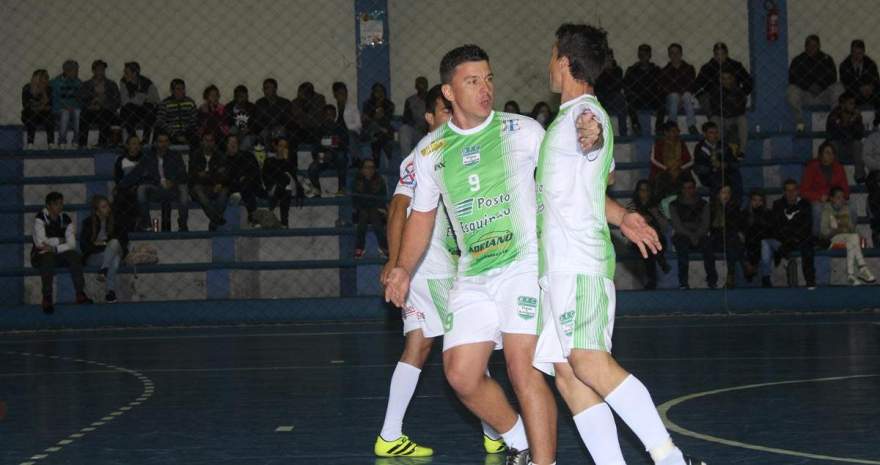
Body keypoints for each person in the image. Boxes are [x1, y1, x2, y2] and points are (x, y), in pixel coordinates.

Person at [384, 42, 663, 465]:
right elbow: (420, 216)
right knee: (460, 374)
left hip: (525, 265)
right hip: (473, 273)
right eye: (472, 81)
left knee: (522, 366)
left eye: (489, 78)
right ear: (448, 92)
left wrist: (621, 213)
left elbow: (572, 179)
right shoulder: (430, 153)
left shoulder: (524, 132)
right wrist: (403, 267)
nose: (485, 89)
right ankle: (518, 440)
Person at [532, 25, 702, 465]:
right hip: (556, 269)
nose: (549, 64)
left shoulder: (584, 114)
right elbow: (589, 188)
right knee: (568, 376)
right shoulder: (564, 119)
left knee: (587, 361)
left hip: (580, 263)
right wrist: (624, 215)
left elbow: (593, 134)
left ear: (566, 62)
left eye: (553, 56)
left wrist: (595, 134)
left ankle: (670, 458)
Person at [375, 84, 505, 457]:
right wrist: (397, 262)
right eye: (443, 111)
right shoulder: (424, 155)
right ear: (430, 119)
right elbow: (398, 208)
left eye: (453, 109)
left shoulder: (452, 155)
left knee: (418, 344)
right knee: (471, 339)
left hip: (426, 264)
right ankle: (498, 430)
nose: (451, 115)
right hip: (428, 263)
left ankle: (389, 435)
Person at [32, 192, 93, 314]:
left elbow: (71, 244)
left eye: (61, 203)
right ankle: (47, 297)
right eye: (56, 204)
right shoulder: (39, 219)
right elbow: (40, 243)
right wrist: (60, 240)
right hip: (40, 255)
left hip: (58, 253)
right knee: (47, 257)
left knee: (75, 256)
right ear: (48, 206)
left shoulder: (66, 219)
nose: (59, 207)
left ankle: (80, 293)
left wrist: (54, 247)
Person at [118, 131, 189, 232]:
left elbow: (183, 174)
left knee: (184, 188)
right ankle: (147, 224)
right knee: (141, 189)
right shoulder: (148, 157)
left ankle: (183, 225)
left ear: (169, 143)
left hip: (173, 190)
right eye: (160, 141)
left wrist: (172, 181)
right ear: (155, 143)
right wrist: (119, 186)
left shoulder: (176, 156)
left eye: (166, 141)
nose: (163, 144)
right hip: (156, 189)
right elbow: (135, 173)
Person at [761, 179, 816, 288]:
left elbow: (806, 226)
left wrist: (793, 234)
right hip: (784, 239)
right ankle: (767, 278)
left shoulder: (805, 204)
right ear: (784, 192)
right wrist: (790, 233)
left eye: (793, 190)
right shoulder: (777, 204)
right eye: (788, 190)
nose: (791, 193)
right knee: (767, 242)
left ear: (798, 191)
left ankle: (810, 281)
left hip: (800, 238)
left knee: (808, 246)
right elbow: (777, 226)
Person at [820, 187, 876, 285]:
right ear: (832, 199)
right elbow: (823, 233)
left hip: (846, 238)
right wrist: (834, 230)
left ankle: (851, 275)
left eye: (842, 197)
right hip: (830, 240)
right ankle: (862, 269)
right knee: (853, 238)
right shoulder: (826, 210)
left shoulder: (846, 208)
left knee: (853, 239)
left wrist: (846, 225)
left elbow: (852, 229)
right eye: (838, 197)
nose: (841, 200)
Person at [787, 35, 840, 132]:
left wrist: (820, 86)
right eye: (809, 45)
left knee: (838, 87)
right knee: (791, 90)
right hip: (806, 95)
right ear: (805, 46)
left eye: (815, 46)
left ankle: (834, 120)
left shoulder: (827, 59)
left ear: (819, 46)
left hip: (823, 94)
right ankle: (800, 122)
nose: (812, 48)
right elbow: (793, 78)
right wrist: (809, 86)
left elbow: (833, 77)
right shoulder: (798, 60)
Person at [670, 178, 716, 289]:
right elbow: (677, 225)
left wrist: (696, 234)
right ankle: (683, 283)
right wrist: (691, 235)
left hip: (700, 234)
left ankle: (712, 281)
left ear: (694, 189)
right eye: (685, 188)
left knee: (709, 248)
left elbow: (705, 224)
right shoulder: (674, 204)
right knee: (682, 250)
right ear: (681, 190)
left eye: (690, 188)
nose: (687, 191)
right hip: (682, 235)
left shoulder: (704, 204)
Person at [80, 195, 127, 303]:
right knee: (114, 259)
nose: (107, 209)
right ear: (97, 210)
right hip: (94, 256)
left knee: (114, 243)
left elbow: (123, 240)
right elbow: (84, 246)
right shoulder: (87, 223)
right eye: (103, 207)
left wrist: (103, 243)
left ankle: (104, 270)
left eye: (107, 206)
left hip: (112, 251)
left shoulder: (115, 221)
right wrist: (106, 245)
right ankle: (110, 291)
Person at [801, 141, 850, 234]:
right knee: (817, 209)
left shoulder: (839, 168)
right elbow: (803, 191)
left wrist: (840, 197)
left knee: (852, 207)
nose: (831, 155)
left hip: (835, 200)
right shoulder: (812, 167)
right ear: (820, 154)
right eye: (827, 152)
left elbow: (846, 190)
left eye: (832, 153)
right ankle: (816, 239)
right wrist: (819, 197)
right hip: (819, 200)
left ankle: (843, 237)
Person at [629, 180, 671, 289]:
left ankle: (652, 280)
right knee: (648, 249)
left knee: (651, 247)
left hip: (657, 238)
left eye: (647, 190)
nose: (644, 193)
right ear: (637, 192)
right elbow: (626, 229)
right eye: (641, 190)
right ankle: (660, 262)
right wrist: (641, 221)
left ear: (650, 192)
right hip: (637, 240)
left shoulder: (656, 206)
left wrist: (655, 214)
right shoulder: (632, 206)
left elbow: (665, 227)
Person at [694, 42, 752, 118]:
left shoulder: (736, 66)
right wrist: (701, 95)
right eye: (717, 54)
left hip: (731, 96)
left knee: (736, 98)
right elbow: (696, 85)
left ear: (727, 54)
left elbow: (748, 82)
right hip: (713, 98)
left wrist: (741, 92)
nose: (719, 57)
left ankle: (731, 125)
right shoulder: (707, 68)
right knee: (704, 98)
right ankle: (715, 124)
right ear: (714, 55)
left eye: (722, 54)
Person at [189, 132, 230, 231]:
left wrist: (218, 182)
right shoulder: (195, 155)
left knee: (225, 191)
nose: (208, 143)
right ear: (202, 142)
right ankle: (215, 219)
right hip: (199, 187)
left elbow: (225, 175)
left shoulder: (220, 155)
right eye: (206, 140)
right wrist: (214, 176)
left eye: (211, 140)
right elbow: (193, 176)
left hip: (215, 186)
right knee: (198, 190)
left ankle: (213, 221)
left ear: (214, 142)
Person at [692, 121, 743, 199]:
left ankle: (734, 206)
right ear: (705, 134)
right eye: (711, 133)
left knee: (736, 176)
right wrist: (712, 166)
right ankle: (717, 206)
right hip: (708, 176)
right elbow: (699, 168)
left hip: (725, 173)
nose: (715, 135)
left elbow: (734, 163)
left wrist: (726, 165)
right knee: (717, 181)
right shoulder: (700, 148)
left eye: (716, 132)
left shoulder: (723, 145)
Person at [308, 105, 349, 196]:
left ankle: (342, 189)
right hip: (323, 158)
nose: (329, 117)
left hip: (337, 159)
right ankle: (317, 190)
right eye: (327, 114)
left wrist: (331, 152)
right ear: (323, 116)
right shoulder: (318, 130)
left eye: (332, 114)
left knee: (341, 156)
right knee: (312, 168)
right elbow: (315, 149)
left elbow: (344, 146)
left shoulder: (340, 129)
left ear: (335, 116)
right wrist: (323, 154)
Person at [78, 60, 120, 148]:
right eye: (98, 69)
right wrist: (91, 104)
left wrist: (102, 104)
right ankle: (82, 144)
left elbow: (117, 102)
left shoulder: (112, 85)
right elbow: (81, 101)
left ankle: (102, 143)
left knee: (105, 114)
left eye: (103, 69)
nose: (101, 71)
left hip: (106, 111)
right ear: (93, 71)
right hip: (90, 110)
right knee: (84, 115)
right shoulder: (86, 85)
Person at [709, 184, 744, 288]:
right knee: (732, 240)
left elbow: (736, 225)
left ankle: (730, 276)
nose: (726, 195)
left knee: (731, 243)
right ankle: (744, 264)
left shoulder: (734, 207)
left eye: (728, 192)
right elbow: (712, 227)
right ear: (718, 194)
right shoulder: (712, 208)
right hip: (716, 239)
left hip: (729, 240)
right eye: (723, 192)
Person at [623, 44, 663, 135]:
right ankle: (635, 125)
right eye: (641, 54)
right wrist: (630, 94)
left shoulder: (656, 70)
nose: (643, 56)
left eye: (645, 54)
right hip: (637, 98)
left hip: (653, 97)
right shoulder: (632, 70)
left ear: (650, 55)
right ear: (638, 56)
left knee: (662, 101)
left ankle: (659, 127)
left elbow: (662, 85)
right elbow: (626, 86)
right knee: (630, 101)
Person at [225, 133, 264, 226]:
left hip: (249, 184)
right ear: (226, 145)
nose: (233, 145)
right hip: (234, 186)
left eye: (235, 142)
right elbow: (225, 177)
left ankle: (252, 217)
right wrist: (239, 179)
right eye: (230, 143)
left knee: (247, 185)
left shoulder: (247, 155)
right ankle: (253, 218)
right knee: (244, 186)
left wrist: (244, 177)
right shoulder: (223, 159)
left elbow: (254, 172)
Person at [352, 159, 388, 258]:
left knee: (373, 215)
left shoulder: (380, 181)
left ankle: (359, 248)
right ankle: (384, 247)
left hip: (377, 211)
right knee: (365, 214)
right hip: (362, 210)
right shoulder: (356, 181)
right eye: (367, 167)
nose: (370, 170)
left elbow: (381, 199)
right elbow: (356, 200)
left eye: (372, 167)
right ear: (362, 169)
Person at [708, 67, 749, 154]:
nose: (726, 81)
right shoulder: (715, 91)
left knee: (743, 119)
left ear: (732, 79)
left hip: (734, 118)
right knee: (714, 119)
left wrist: (727, 104)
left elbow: (741, 109)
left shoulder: (739, 91)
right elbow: (715, 108)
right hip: (721, 118)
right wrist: (731, 104)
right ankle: (717, 149)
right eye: (723, 78)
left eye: (728, 78)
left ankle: (742, 151)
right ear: (720, 79)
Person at [826, 92, 866, 181]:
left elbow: (859, 135)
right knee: (833, 144)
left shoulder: (856, 116)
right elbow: (834, 134)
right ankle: (835, 176)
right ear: (842, 104)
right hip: (838, 149)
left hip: (851, 149)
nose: (853, 106)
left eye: (854, 103)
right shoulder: (834, 115)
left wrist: (855, 119)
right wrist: (850, 122)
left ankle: (859, 175)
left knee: (858, 144)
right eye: (850, 103)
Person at [659, 43, 698, 134]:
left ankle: (691, 125)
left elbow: (691, 84)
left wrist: (681, 94)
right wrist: (678, 94)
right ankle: (672, 124)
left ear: (681, 54)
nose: (675, 55)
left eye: (677, 52)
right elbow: (664, 88)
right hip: (671, 101)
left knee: (687, 95)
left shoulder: (689, 68)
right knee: (674, 95)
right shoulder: (664, 70)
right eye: (672, 53)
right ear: (669, 55)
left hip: (685, 99)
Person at [262, 137, 300, 227]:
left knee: (285, 178)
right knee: (285, 191)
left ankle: (270, 210)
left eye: (285, 146)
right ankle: (284, 223)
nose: (282, 148)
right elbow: (265, 177)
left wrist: (286, 160)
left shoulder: (291, 160)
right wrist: (274, 185)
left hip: (286, 187)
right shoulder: (269, 161)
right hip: (276, 188)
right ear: (275, 147)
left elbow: (293, 175)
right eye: (280, 146)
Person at [649, 121, 693, 200]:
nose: (676, 133)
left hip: (680, 170)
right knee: (661, 180)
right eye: (673, 131)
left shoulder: (681, 144)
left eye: (677, 131)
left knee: (688, 180)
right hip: (663, 171)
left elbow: (690, 160)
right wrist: (667, 169)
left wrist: (680, 169)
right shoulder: (658, 143)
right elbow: (654, 160)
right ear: (666, 132)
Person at [119, 62, 160, 143]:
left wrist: (136, 98)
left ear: (134, 73)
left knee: (150, 108)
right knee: (126, 109)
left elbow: (156, 99)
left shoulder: (147, 83)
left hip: (144, 110)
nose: (124, 75)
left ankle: (145, 139)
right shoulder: (123, 82)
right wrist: (143, 97)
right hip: (131, 110)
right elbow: (125, 101)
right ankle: (133, 139)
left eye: (126, 73)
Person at [113, 135, 146, 233]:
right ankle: (123, 227)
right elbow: (118, 178)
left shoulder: (145, 159)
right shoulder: (121, 160)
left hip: (142, 188)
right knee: (121, 196)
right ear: (127, 146)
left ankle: (137, 224)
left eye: (138, 144)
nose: (136, 146)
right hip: (126, 188)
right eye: (133, 144)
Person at [595, 49, 628, 136]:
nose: (608, 60)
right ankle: (598, 133)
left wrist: (608, 72)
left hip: (613, 99)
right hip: (601, 98)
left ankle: (623, 132)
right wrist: (604, 71)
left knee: (620, 98)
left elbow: (617, 86)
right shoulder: (597, 71)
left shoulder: (617, 70)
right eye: (606, 58)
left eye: (609, 58)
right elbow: (598, 87)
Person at [50, 60, 82, 148]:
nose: (77, 72)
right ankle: (62, 141)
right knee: (65, 113)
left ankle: (76, 140)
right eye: (75, 70)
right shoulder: (55, 83)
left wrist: (73, 107)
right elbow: (55, 99)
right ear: (67, 71)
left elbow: (80, 100)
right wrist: (66, 106)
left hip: (74, 109)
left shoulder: (78, 82)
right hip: (59, 110)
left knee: (78, 112)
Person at [741, 190, 772, 281]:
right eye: (754, 200)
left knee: (758, 237)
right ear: (750, 201)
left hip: (763, 239)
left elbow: (770, 230)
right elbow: (741, 228)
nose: (757, 203)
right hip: (748, 240)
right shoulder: (744, 213)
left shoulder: (768, 213)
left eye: (760, 200)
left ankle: (751, 266)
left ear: (763, 202)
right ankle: (751, 266)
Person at [362, 82, 395, 168]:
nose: (379, 93)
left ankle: (376, 167)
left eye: (381, 91)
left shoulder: (389, 104)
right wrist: (375, 115)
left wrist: (377, 115)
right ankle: (383, 139)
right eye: (376, 91)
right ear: (373, 92)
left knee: (377, 140)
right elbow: (365, 119)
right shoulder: (367, 104)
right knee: (374, 126)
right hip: (372, 129)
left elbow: (387, 119)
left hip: (381, 130)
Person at [156, 79, 198, 146]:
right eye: (178, 89)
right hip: (171, 134)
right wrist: (174, 134)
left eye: (183, 89)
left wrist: (185, 133)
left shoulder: (190, 102)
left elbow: (194, 121)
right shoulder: (165, 103)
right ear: (172, 90)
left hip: (187, 133)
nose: (181, 91)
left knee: (195, 138)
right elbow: (160, 121)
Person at [839, 40, 879, 107]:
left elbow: (876, 80)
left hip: (869, 92)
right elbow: (846, 83)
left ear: (864, 52)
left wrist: (871, 87)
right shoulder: (844, 65)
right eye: (855, 53)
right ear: (851, 52)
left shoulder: (871, 64)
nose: (857, 56)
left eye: (860, 53)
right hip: (853, 92)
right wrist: (860, 88)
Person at [21, 69, 55, 149]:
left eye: (48, 77)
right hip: (29, 114)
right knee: (31, 115)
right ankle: (30, 143)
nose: (47, 79)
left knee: (50, 117)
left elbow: (49, 106)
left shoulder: (49, 89)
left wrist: (43, 92)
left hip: (43, 114)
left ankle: (51, 143)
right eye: (45, 77)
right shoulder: (27, 88)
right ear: (38, 78)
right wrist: (42, 106)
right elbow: (26, 106)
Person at [332, 82, 363, 165]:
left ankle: (355, 159)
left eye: (345, 93)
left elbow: (358, 124)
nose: (343, 96)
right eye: (340, 93)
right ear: (335, 94)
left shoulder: (353, 107)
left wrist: (347, 127)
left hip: (350, 132)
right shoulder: (332, 107)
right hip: (336, 133)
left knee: (350, 135)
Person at [399, 76, 429, 156]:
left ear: (427, 85)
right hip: (417, 132)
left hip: (430, 133)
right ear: (415, 86)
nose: (421, 85)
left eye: (423, 83)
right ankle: (407, 162)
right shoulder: (410, 100)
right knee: (404, 129)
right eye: (419, 83)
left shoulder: (432, 98)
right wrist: (416, 126)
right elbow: (406, 119)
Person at [253, 78, 291, 143]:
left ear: (275, 89)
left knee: (279, 131)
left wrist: (277, 127)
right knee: (263, 134)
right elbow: (258, 120)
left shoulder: (284, 103)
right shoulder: (260, 103)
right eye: (264, 88)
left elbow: (287, 120)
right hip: (265, 129)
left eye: (267, 88)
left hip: (279, 129)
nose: (265, 91)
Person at [862, 124, 880, 245]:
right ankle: (877, 231)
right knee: (876, 194)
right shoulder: (872, 138)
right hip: (876, 172)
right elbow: (866, 157)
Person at [226, 85, 257, 151]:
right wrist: (236, 112)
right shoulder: (229, 107)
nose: (242, 99)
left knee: (247, 141)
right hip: (234, 132)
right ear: (235, 97)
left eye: (244, 96)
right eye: (240, 96)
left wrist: (248, 129)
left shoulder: (252, 107)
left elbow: (256, 123)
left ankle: (240, 155)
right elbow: (227, 122)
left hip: (248, 133)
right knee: (233, 129)